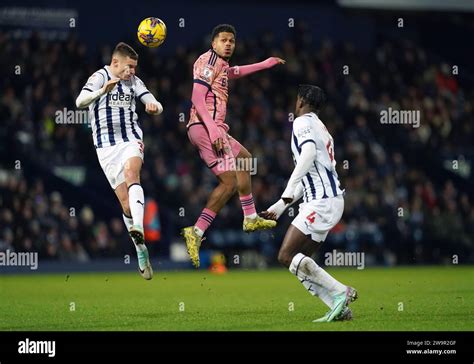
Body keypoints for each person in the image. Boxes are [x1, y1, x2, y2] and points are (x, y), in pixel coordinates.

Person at [182, 24, 285, 268]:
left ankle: (250, 217)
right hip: (205, 127)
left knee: (246, 159)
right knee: (229, 183)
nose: (228, 44)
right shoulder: (208, 62)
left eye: (232, 41)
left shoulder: (221, 65)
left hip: (213, 127)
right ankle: (196, 232)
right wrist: (214, 128)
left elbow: (234, 72)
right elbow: (197, 97)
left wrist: (264, 64)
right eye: (223, 40)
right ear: (213, 42)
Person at [261, 85, 357, 322]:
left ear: (301, 101)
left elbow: (308, 156)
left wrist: (285, 193)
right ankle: (340, 309)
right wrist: (280, 206)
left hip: (322, 202)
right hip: (328, 200)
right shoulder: (322, 128)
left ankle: (340, 292)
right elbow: (310, 177)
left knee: (285, 255)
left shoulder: (301, 122)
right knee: (298, 262)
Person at [76, 42, 163, 280]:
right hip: (105, 148)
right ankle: (141, 250)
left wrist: (154, 106)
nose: (132, 71)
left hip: (130, 140)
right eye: (129, 66)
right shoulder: (99, 77)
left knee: (132, 172)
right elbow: (79, 102)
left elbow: (153, 101)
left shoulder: (134, 82)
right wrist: (102, 91)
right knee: (125, 205)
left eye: (135, 67)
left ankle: (139, 228)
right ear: (115, 63)